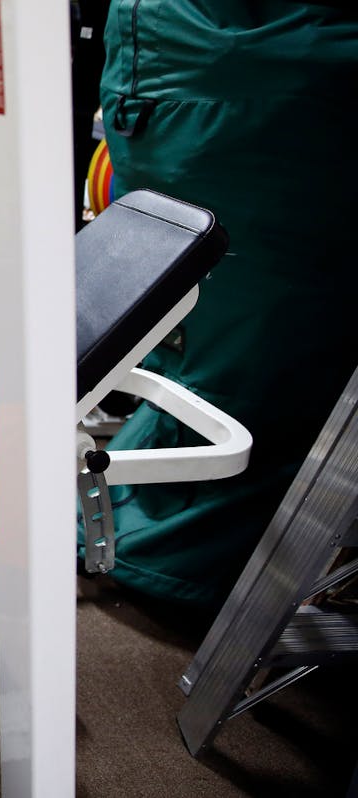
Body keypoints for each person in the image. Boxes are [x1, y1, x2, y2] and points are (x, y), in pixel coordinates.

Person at [90, 2, 358, 606]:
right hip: (278, 107)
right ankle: (180, 548)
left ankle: (125, 520)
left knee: (199, 338)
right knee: (257, 357)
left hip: (164, 79)